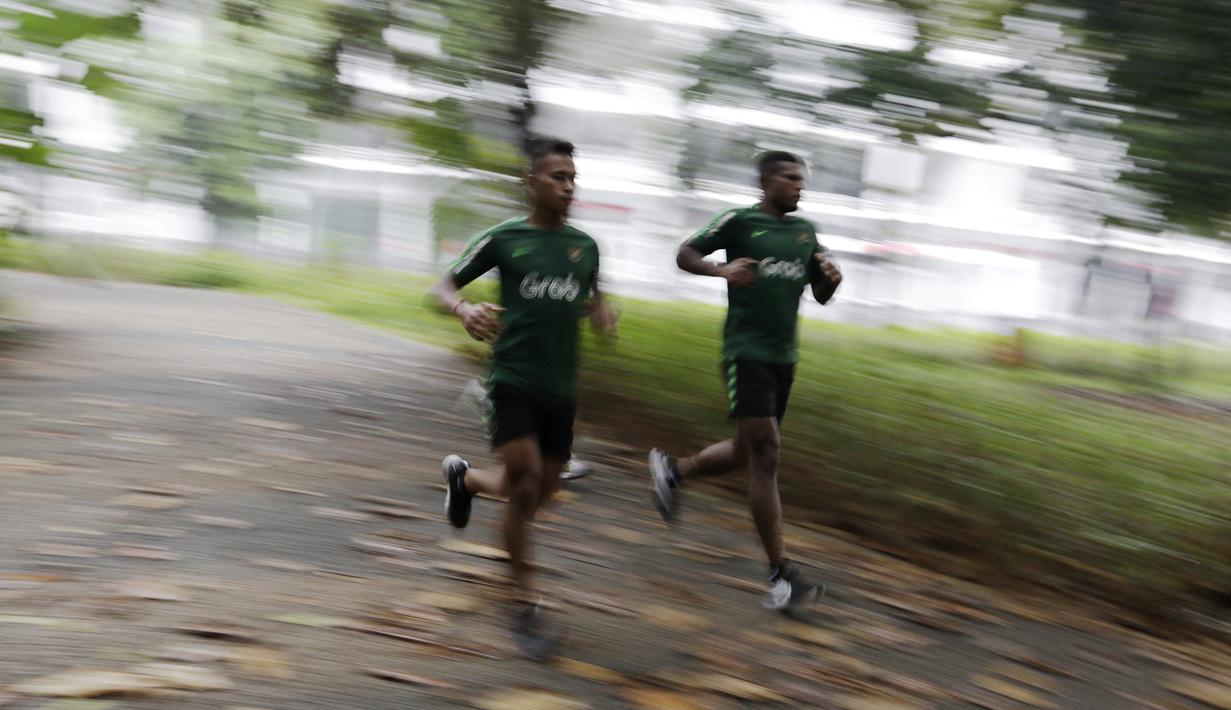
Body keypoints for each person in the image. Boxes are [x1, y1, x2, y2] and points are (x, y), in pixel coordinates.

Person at [433, 137, 616, 659]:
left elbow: (589, 296)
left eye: (573, 178)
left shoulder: (586, 246)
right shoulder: (504, 239)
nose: (569, 186)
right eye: (559, 177)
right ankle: (523, 604)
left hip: (563, 388)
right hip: (513, 379)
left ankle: (463, 479)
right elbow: (443, 285)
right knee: (527, 480)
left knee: (535, 490)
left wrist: (600, 314)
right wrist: (463, 309)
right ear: (531, 182)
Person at [647, 150, 842, 612]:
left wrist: (832, 278)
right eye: (792, 179)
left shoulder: (805, 232)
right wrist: (720, 269)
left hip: (783, 358)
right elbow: (685, 253)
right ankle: (782, 575)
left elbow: (820, 292)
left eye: (802, 180)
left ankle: (673, 470)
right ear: (767, 181)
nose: (800, 186)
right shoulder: (738, 222)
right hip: (745, 354)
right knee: (767, 453)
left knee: (745, 449)